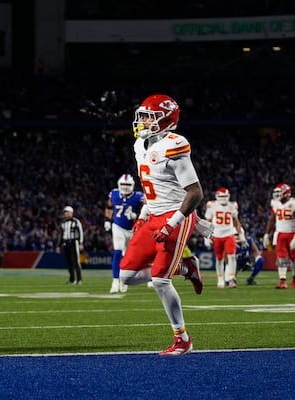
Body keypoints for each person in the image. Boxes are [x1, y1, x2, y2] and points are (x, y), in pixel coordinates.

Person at [119, 94, 204, 356]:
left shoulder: (174, 145)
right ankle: (185, 267)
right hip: (154, 214)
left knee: (159, 280)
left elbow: (195, 193)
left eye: (148, 116)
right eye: (142, 116)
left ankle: (182, 339)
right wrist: (144, 213)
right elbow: (152, 187)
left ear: (165, 120)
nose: (143, 121)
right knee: (127, 276)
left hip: (176, 215)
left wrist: (173, 223)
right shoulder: (140, 145)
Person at [105, 174, 146, 293]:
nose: (125, 187)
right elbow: (108, 206)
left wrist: (137, 216)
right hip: (118, 226)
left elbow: (147, 210)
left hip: (133, 229)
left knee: (128, 256)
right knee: (117, 252)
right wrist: (107, 220)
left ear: (133, 185)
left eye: (128, 184)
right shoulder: (114, 193)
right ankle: (115, 281)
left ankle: (124, 280)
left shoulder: (139, 197)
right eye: (123, 184)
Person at [204, 187, 246, 288]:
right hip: (216, 235)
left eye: (225, 196)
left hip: (229, 234)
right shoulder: (212, 205)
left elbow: (236, 222)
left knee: (231, 256)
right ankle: (220, 279)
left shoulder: (232, 206)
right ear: (217, 197)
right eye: (221, 196)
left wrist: (241, 235)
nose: (223, 198)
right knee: (219, 259)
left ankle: (232, 278)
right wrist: (206, 237)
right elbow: (207, 223)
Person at [263, 183, 295, 289]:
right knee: (281, 258)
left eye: (279, 192)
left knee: (293, 258)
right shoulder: (275, 203)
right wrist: (267, 234)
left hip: (292, 233)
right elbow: (272, 219)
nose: (276, 195)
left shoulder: (293, 203)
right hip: (280, 233)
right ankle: (282, 281)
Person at [56, 206, 84, 285]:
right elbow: (61, 234)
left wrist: (80, 242)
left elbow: (80, 232)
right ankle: (72, 280)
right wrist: (58, 245)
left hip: (74, 242)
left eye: (67, 212)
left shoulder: (76, 221)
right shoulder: (63, 223)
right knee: (69, 262)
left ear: (71, 212)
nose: (66, 214)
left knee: (76, 261)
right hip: (66, 243)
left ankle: (79, 279)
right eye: (65, 212)